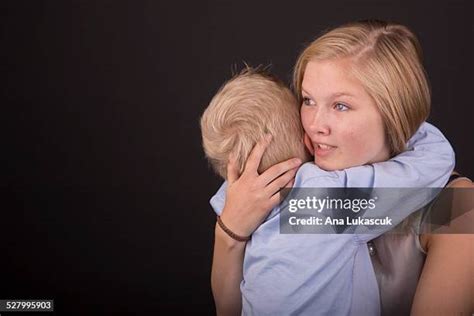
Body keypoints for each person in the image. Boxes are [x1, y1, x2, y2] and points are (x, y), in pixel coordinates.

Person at [201, 63, 456, 314]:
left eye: (340, 106)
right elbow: (432, 164)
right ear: (301, 132)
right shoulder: (325, 196)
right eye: (307, 101)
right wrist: (406, 121)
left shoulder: (238, 200)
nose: (315, 125)